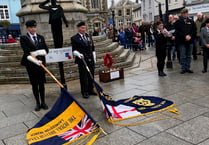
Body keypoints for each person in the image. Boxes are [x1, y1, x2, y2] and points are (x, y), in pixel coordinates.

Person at [20, 20, 49, 111]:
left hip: (41, 64)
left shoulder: (40, 37)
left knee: (41, 84)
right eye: (31, 27)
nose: (33, 29)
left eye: (34, 27)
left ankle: (43, 102)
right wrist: (36, 58)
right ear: (27, 28)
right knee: (34, 84)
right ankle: (37, 102)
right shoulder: (24, 38)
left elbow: (46, 50)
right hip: (31, 65)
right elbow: (26, 52)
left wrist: (40, 52)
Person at [71, 22, 97, 98]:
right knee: (83, 76)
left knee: (91, 75)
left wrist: (94, 56)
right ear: (78, 28)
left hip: (90, 59)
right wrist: (78, 54)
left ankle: (90, 89)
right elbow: (73, 50)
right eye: (82, 28)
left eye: (84, 28)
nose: (83, 29)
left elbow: (92, 47)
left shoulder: (88, 36)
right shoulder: (75, 38)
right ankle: (84, 91)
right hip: (82, 60)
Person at [175, 8, 196, 74]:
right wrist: (185, 36)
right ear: (182, 14)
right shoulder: (178, 22)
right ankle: (183, 68)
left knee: (189, 55)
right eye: (184, 13)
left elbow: (194, 30)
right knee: (183, 55)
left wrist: (190, 36)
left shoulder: (191, 21)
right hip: (182, 41)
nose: (185, 14)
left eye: (186, 13)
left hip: (190, 41)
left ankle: (188, 67)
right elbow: (177, 31)